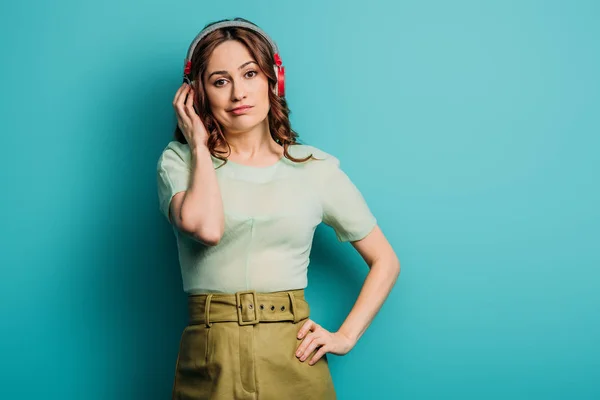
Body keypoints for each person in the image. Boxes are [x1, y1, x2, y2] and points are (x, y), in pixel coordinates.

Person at [156, 17, 401, 400]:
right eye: (220, 81)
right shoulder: (179, 161)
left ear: (274, 81)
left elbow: (386, 261)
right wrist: (199, 146)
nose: (238, 93)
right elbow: (206, 228)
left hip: (291, 353)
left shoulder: (315, 169)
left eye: (250, 73)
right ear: (197, 95)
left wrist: (345, 336)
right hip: (210, 357)